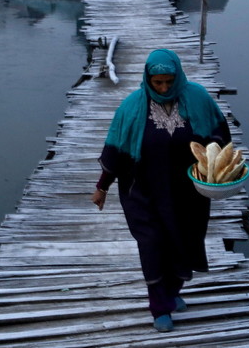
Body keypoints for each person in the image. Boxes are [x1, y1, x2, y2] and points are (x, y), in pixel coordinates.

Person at [91, 48, 231, 332]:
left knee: (184, 240)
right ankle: (159, 307)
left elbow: (220, 134)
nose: (164, 88)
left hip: (189, 191)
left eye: (169, 81)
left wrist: (217, 161)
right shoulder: (131, 108)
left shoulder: (198, 99)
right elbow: (116, 150)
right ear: (148, 79)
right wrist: (102, 187)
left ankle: (172, 291)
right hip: (143, 191)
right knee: (153, 244)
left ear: (178, 76)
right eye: (158, 83)